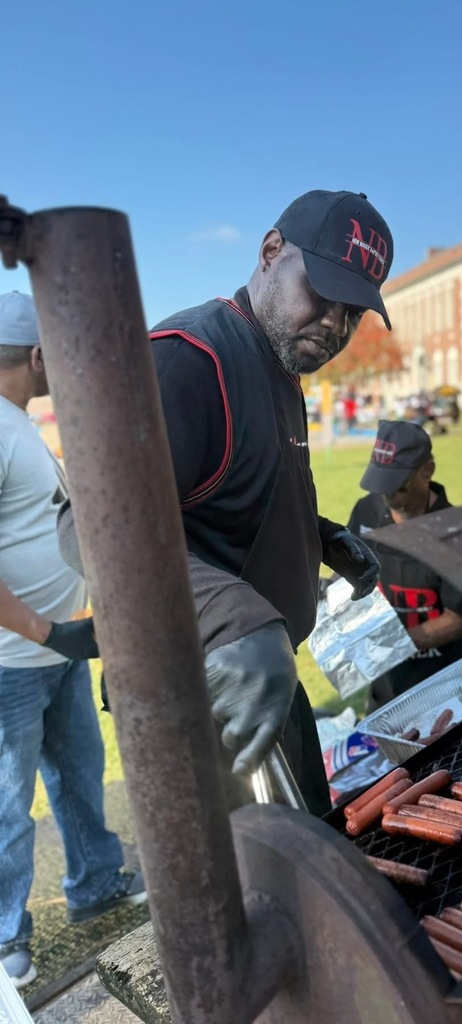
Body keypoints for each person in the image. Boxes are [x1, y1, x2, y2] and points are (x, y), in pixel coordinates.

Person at [58, 190, 390, 815]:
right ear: (271, 252)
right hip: (204, 692)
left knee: (315, 861)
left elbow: (226, 496)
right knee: (254, 900)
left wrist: (316, 536)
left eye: (354, 313)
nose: (336, 325)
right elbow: (86, 527)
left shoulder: (280, 363)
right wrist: (235, 620)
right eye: (322, 293)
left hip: (265, 672)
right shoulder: (188, 358)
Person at [0, 292, 146, 990]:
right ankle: (5, 937)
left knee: (79, 776)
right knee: (7, 803)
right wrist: (43, 629)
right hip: (13, 662)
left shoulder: (19, 423)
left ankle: (97, 882)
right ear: (34, 357)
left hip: (57, 653)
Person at [347, 420, 462, 711]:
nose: (387, 496)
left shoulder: (453, 530)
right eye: (380, 485)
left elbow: (458, 619)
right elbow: (349, 580)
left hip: (442, 685)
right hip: (385, 685)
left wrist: (393, 648)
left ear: (427, 471)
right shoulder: (365, 512)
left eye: (398, 487)